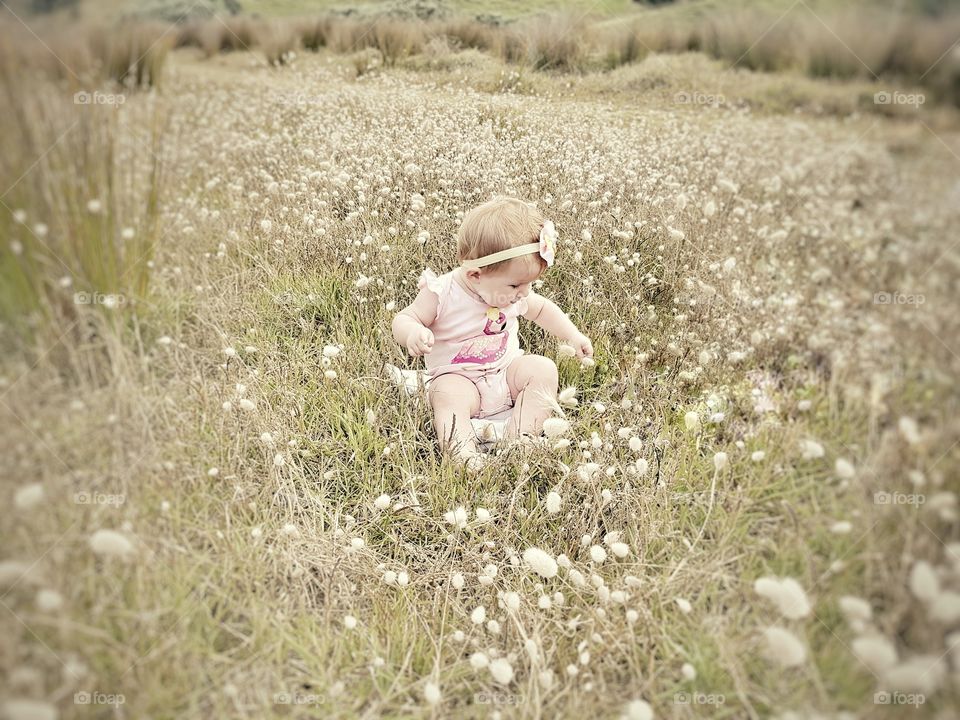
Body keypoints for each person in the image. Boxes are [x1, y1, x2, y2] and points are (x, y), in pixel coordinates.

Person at [392, 196, 593, 470]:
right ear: (475, 275)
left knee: (543, 369)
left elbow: (542, 310)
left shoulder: (511, 293)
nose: (523, 293)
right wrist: (413, 331)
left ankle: (521, 440)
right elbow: (405, 317)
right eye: (515, 285)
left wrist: (573, 335)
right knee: (447, 394)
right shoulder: (442, 292)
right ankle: (463, 455)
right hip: (462, 381)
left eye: (529, 285)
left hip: (505, 373)